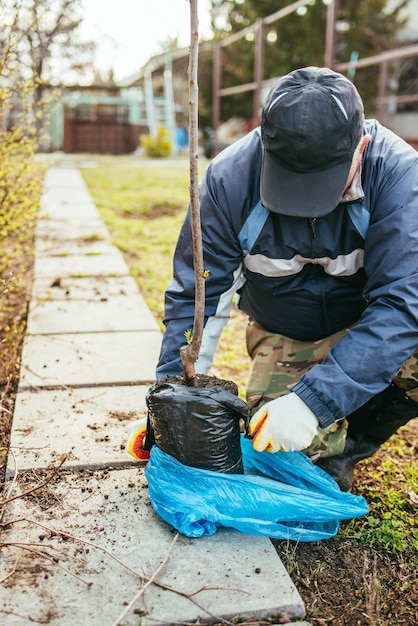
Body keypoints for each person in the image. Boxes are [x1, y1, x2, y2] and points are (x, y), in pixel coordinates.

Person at [127, 66, 418, 491]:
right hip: (286, 332)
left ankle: (353, 439)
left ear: (361, 147)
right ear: (265, 143)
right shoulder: (228, 182)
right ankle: (324, 448)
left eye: (323, 183)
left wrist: (311, 404)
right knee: (275, 451)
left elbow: (403, 305)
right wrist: (172, 398)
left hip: (364, 324)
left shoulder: (399, 177)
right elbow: (197, 296)